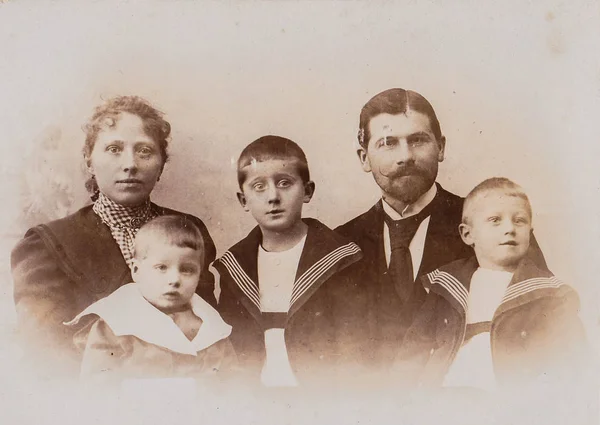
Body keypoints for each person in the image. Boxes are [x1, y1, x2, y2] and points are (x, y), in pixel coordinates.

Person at [334, 88, 547, 374]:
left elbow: (541, 325)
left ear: (441, 148)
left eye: (418, 140)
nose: (406, 156)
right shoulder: (340, 244)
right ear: (363, 158)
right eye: (388, 143)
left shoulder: (494, 227)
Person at [10, 96, 217, 377]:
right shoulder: (46, 244)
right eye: (114, 149)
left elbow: (209, 331)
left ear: (162, 164)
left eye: (144, 151)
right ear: (89, 161)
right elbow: (44, 355)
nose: (130, 164)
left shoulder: (187, 230)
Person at [394, 177, 588, 390]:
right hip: (447, 396)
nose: (509, 229)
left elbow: (572, 360)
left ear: (530, 233)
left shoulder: (548, 294)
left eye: (519, 220)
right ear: (468, 234)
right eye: (495, 220)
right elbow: (415, 347)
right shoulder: (447, 285)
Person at [213, 135, 362, 387]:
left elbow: (353, 351)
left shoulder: (339, 259)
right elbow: (233, 352)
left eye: (284, 183)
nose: (273, 196)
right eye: (259, 187)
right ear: (243, 200)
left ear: (307, 191)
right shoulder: (235, 266)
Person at [66, 215, 235, 383]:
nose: (174, 279)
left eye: (187, 270)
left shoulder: (212, 328)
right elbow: (96, 389)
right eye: (161, 267)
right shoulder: (115, 326)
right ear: (136, 270)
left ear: (199, 274)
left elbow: (236, 385)